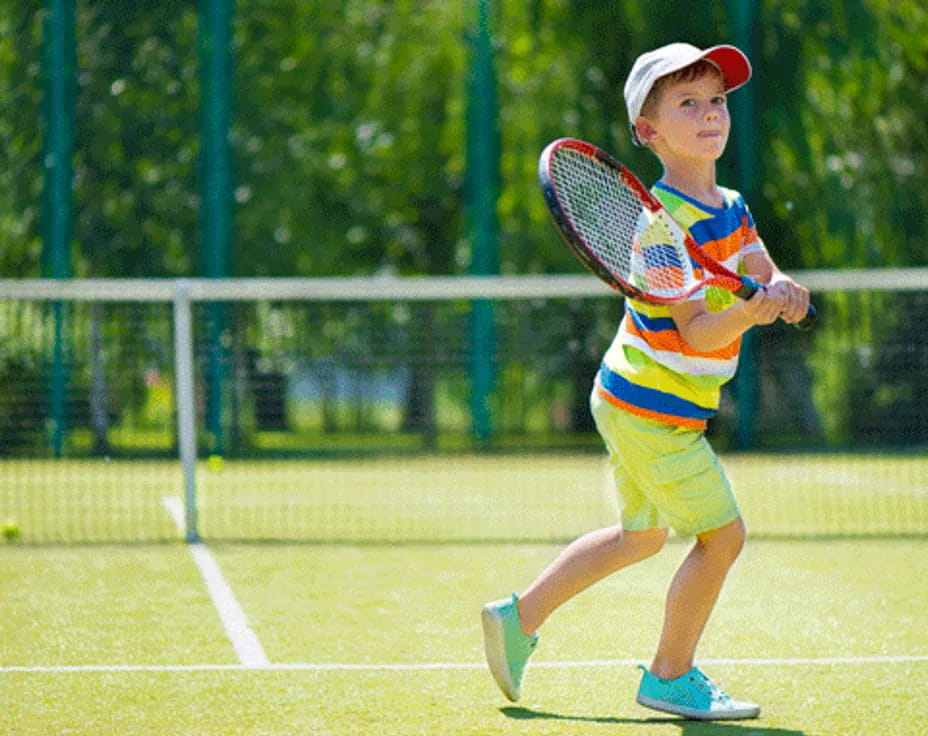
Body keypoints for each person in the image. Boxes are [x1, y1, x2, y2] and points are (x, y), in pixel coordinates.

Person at [481, 42, 811, 721]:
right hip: (646, 408)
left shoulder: (734, 206)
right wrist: (748, 314)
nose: (709, 113)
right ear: (648, 131)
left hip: (652, 403)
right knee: (723, 537)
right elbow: (696, 330)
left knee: (641, 537)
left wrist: (783, 291)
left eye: (716, 99)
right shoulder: (657, 233)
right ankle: (670, 673)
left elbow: (762, 267)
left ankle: (518, 619)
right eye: (686, 102)